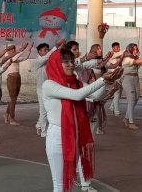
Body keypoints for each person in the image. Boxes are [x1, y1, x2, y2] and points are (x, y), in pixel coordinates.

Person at [42, 48, 122, 192]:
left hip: (75, 134)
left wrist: (108, 83)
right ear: (55, 63)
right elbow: (78, 95)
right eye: (65, 62)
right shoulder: (49, 85)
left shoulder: (76, 82)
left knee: (69, 183)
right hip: (57, 137)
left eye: (72, 61)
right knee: (60, 185)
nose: (70, 64)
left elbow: (97, 96)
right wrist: (103, 79)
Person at [34, 39, 65, 137]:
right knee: (43, 110)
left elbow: (53, 56)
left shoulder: (48, 61)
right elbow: (48, 56)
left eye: (48, 49)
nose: (47, 51)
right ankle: (44, 131)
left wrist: (60, 47)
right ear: (39, 51)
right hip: (41, 89)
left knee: (49, 109)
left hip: (50, 88)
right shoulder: (38, 61)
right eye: (44, 50)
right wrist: (56, 46)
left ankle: (39, 124)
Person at [3, 42, 33, 126]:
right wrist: (22, 50)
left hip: (18, 78)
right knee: (13, 99)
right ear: (7, 50)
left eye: (13, 48)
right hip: (11, 78)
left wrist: (29, 51)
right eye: (11, 49)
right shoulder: (6, 57)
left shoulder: (15, 56)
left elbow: (25, 58)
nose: (13, 50)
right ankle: (12, 119)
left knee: (14, 99)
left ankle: (6, 113)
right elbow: (16, 57)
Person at [107, 42, 124, 116]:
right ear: (113, 48)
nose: (118, 49)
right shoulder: (112, 55)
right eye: (117, 47)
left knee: (119, 93)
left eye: (119, 47)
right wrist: (126, 51)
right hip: (113, 77)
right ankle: (116, 111)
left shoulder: (120, 56)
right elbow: (120, 53)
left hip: (120, 76)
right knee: (117, 94)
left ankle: (112, 106)